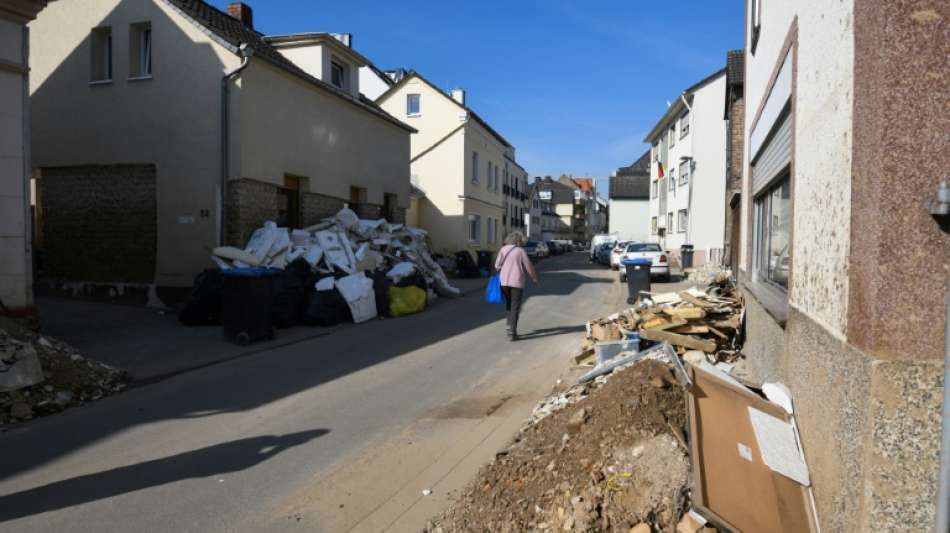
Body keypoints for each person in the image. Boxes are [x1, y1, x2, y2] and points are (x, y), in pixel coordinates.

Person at [495, 231, 539, 341]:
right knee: (515, 307)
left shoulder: (503, 249)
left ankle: (509, 327)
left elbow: (496, 266)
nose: (521, 243)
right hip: (516, 282)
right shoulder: (520, 251)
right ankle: (512, 332)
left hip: (504, 282)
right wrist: (534, 278)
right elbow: (528, 266)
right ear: (517, 241)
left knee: (509, 305)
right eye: (520, 241)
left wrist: (504, 269)